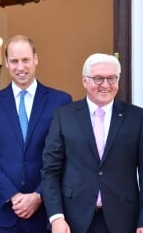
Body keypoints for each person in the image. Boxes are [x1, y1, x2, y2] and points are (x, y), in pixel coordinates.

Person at [0, 35, 72, 232]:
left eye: (25, 60)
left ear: (35, 59)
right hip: (3, 213)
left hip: (46, 213)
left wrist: (38, 195)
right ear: (6, 63)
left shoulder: (60, 101)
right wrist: (13, 196)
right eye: (14, 61)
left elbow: (66, 155)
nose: (20, 67)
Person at [41, 53, 143, 233]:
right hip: (73, 220)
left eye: (111, 78)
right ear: (84, 81)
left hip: (124, 220)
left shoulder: (137, 117)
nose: (105, 85)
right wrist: (56, 217)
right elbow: (50, 171)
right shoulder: (64, 116)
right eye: (98, 79)